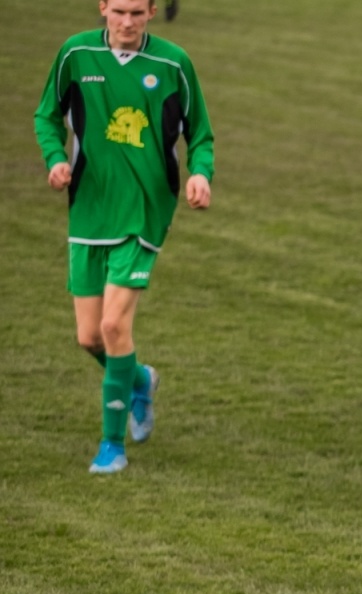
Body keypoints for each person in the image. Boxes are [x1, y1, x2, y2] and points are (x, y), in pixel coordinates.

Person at [36, 0, 213, 474]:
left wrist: (201, 173)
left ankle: (111, 446)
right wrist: (55, 158)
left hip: (144, 211)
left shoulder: (173, 63)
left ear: (152, 11)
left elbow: (200, 133)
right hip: (90, 211)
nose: (127, 22)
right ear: (103, 8)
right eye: (118, 11)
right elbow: (46, 116)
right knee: (89, 337)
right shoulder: (76, 54)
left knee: (114, 327)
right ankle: (139, 380)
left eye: (137, 12)